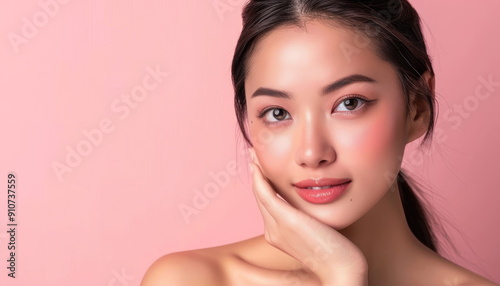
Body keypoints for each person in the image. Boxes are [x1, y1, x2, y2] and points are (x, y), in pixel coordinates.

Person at [141, 0, 498, 285]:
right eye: (278, 113)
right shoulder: (192, 280)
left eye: (349, 103)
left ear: (417, 107)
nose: (312, 153)